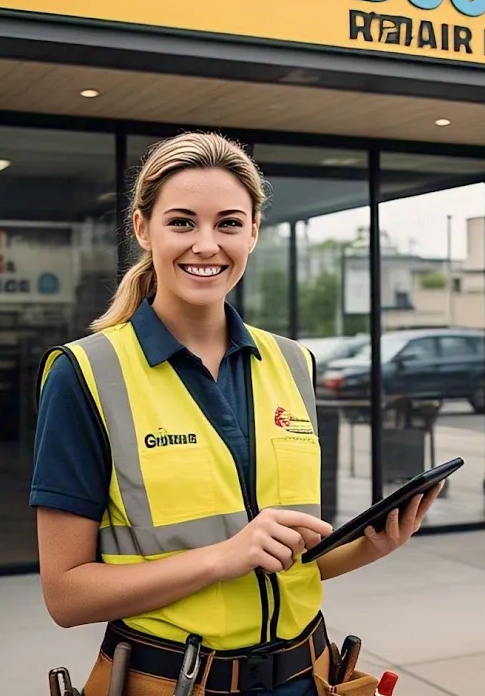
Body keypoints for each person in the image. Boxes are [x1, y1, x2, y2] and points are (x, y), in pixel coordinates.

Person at [30, 131, 442, 696]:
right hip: (173, 683)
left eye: (227, 223)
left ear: (253, 232)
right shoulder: (86, 375)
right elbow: (67, 596)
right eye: (181, 222)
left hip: (308, 675)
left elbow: (287, 564)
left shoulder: (293, 363)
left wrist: (370, 545)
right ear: (143, 228)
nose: (206, 245)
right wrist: (221, 558)